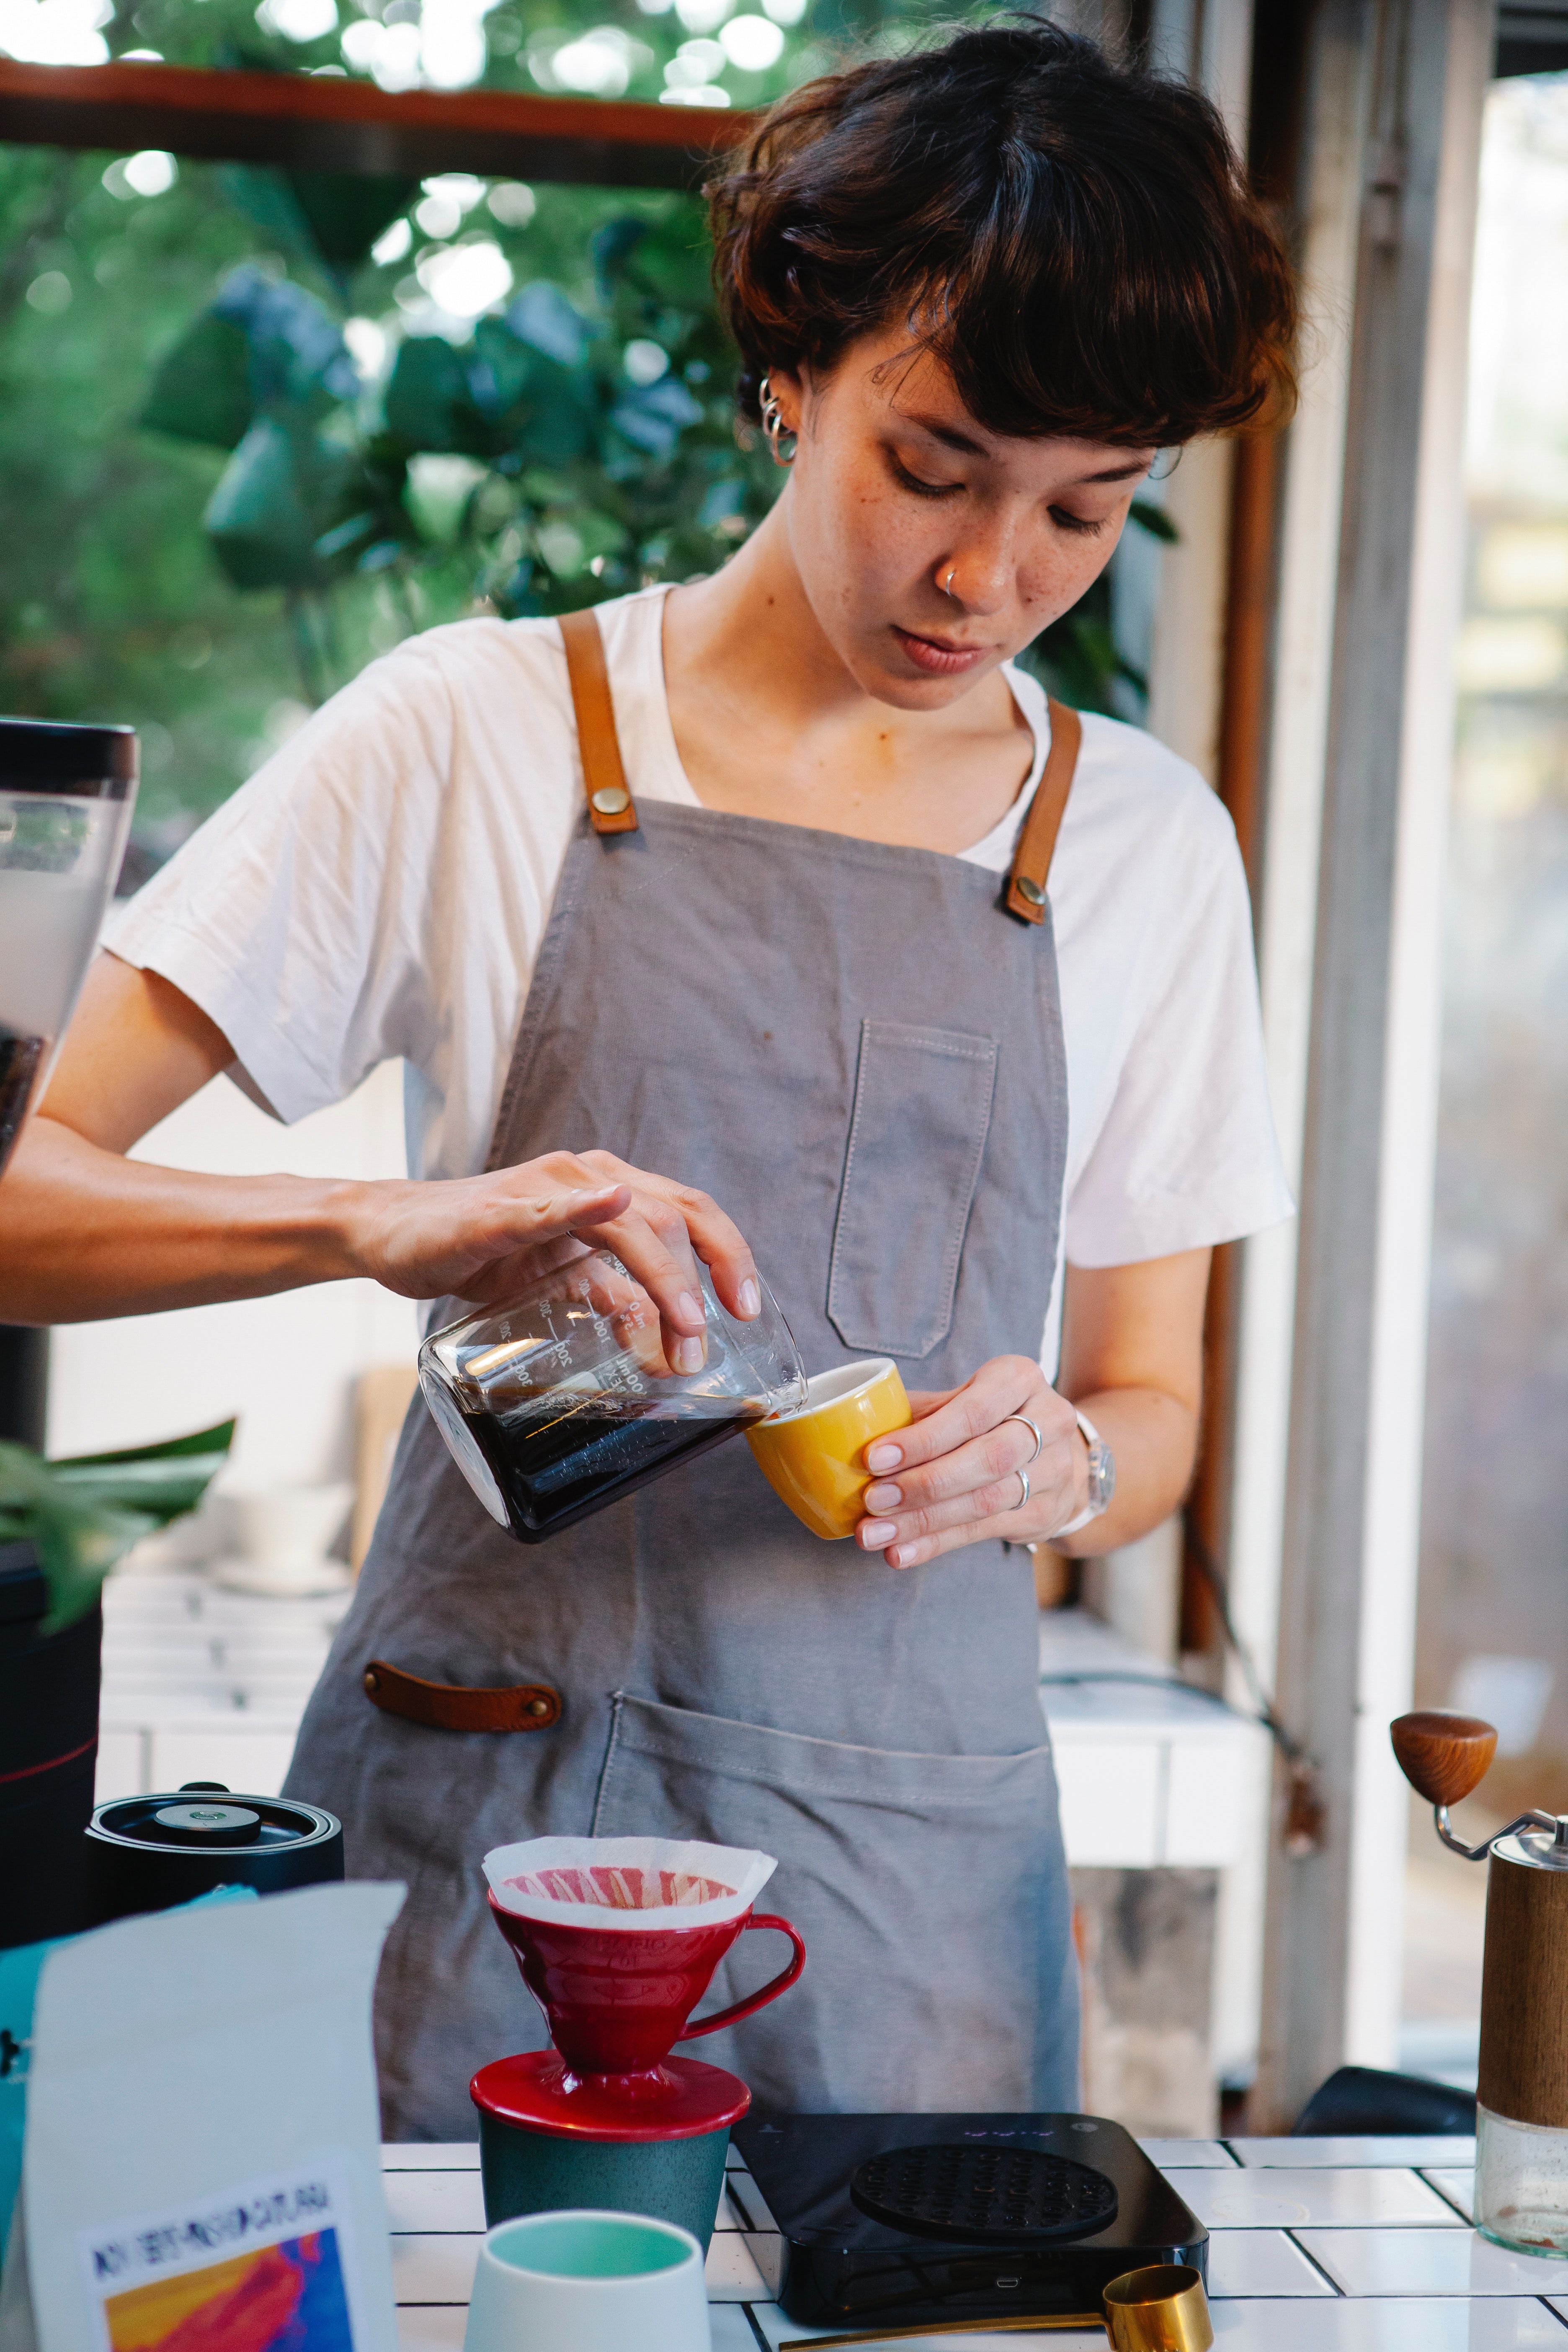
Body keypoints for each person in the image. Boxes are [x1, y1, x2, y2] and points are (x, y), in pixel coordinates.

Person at [2, 20, 1297, 2135]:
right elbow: (16, 1204)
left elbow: (1153, 1416)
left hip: (904, 1888)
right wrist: (369, 1221)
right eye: (933, 465)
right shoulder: (476, 733)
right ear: (795, 365)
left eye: (1089, 509)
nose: (993, 580)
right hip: (477, 1823)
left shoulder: (1146, 847)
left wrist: (1054, 1465)